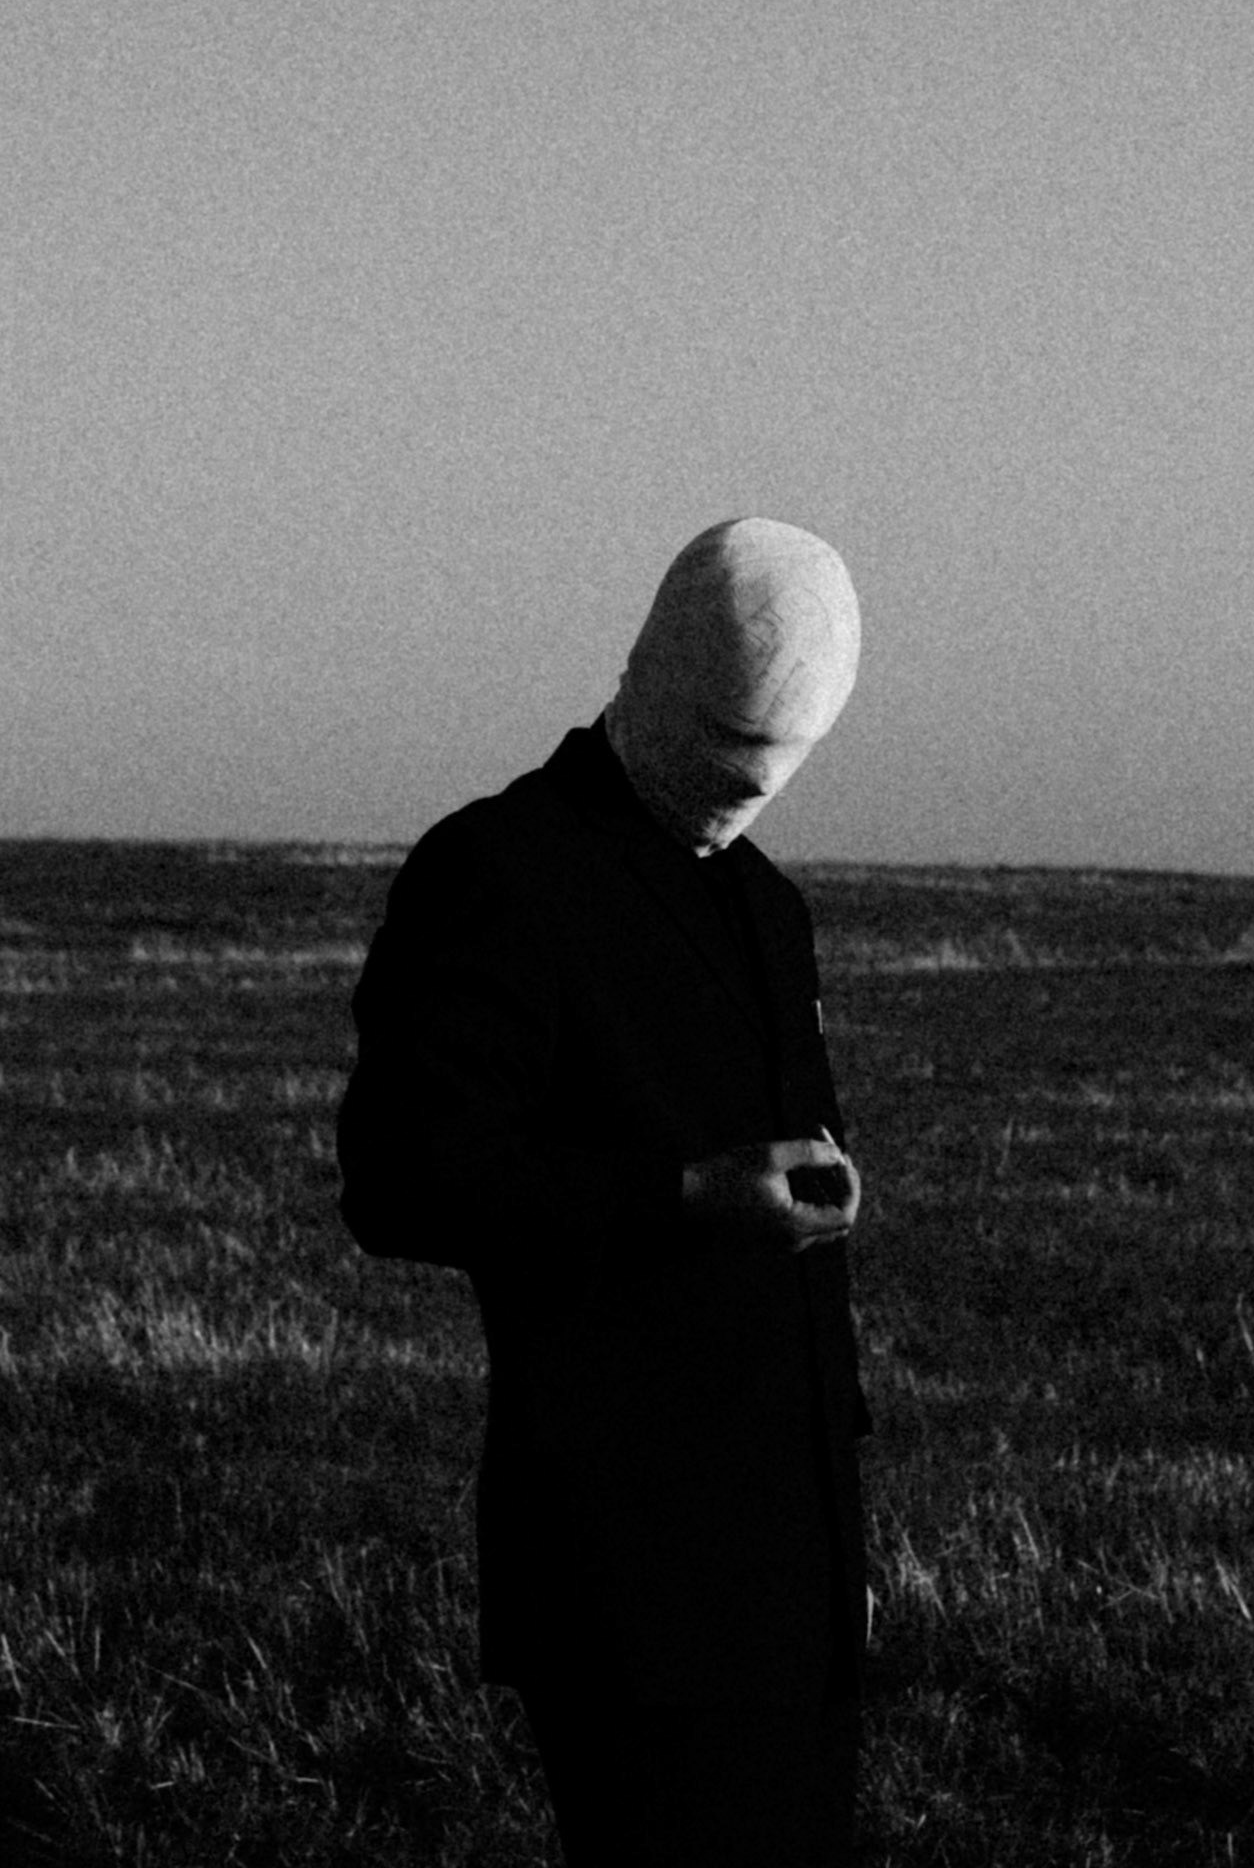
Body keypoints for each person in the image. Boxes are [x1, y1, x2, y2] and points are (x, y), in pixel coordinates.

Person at [337, 517, 870, 1867]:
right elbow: (401, 1179)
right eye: (731, 746)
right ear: (655, 666)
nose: (749, 788)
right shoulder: (499, 872)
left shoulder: (770, 909)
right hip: (629, 1568)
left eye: (783, 758)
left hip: (794, 1565)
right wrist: (684, 1192)